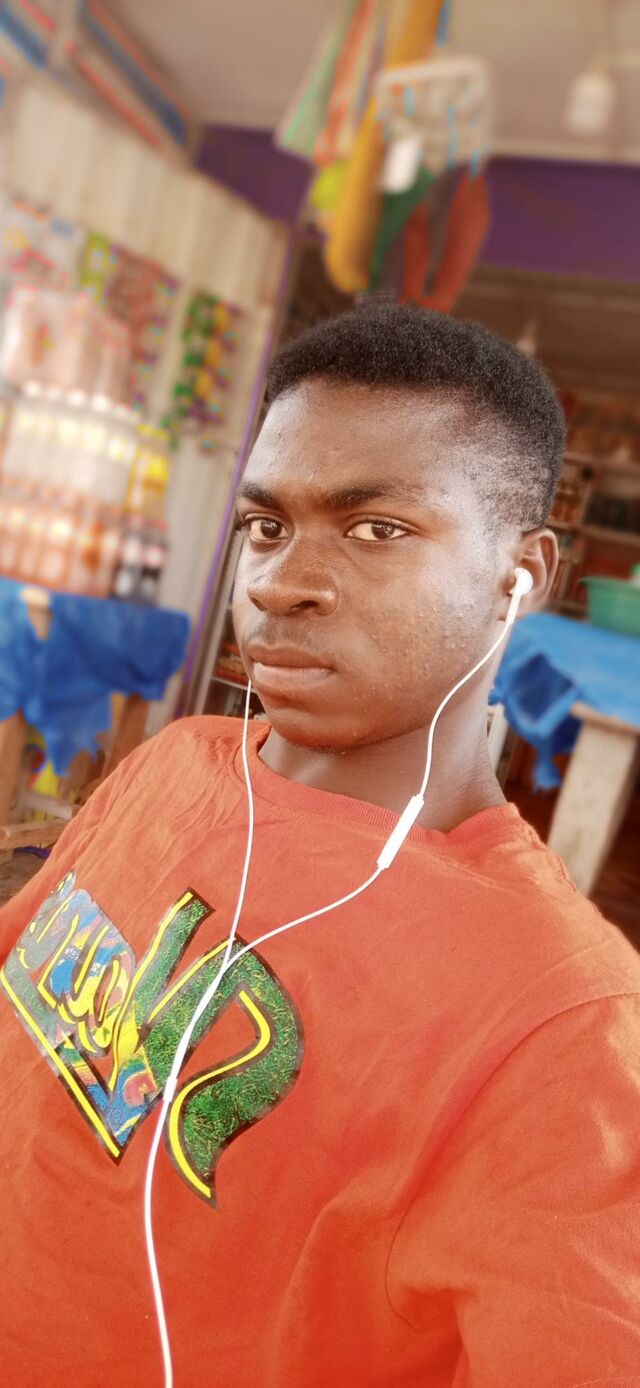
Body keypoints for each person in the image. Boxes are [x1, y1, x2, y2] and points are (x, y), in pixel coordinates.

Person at [1, 304, 639, 1388]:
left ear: (522, 572)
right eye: (266, 524)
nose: (277, 582)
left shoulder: (563, 1025)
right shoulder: (177, 761)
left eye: (376, 528)